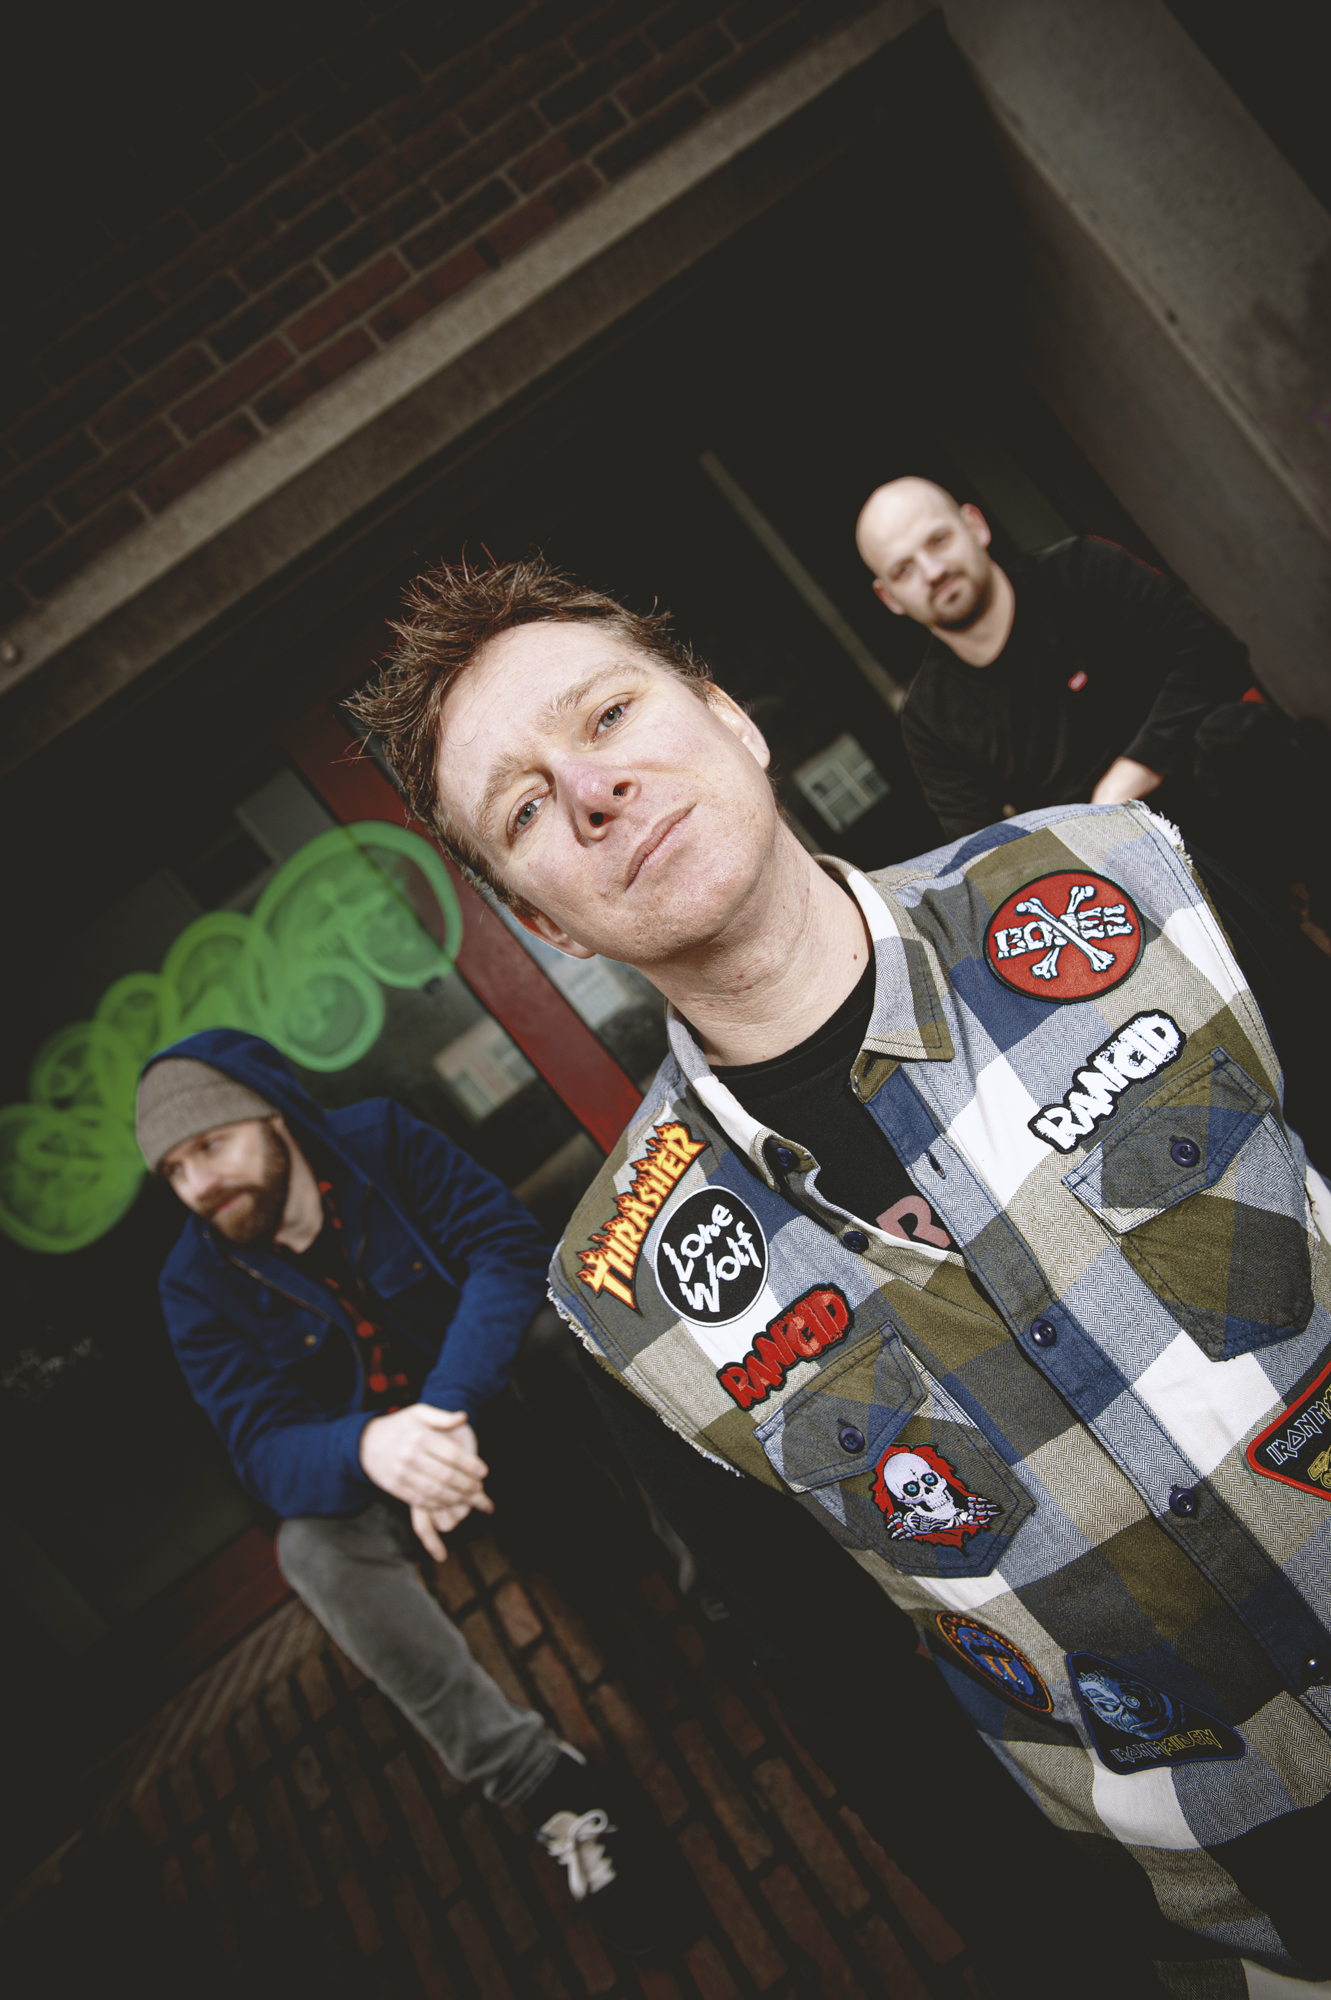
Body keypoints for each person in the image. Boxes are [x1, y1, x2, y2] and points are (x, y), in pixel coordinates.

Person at [349, 556, 1331, 2000]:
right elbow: (848, 1693)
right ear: (547, 924)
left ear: (731, 719)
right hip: (1245, 1933)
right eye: (524, 808)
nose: (593, 789)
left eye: (608, 714)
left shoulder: (1115, 879)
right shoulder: (627, 1305)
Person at [136, 1029, 661, 1954]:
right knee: (310, 1549)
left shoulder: (378, 1141)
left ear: (268, 1117)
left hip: (487, 1398)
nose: (198, 1187)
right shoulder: (194, 1283)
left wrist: (443, 1410)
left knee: (563, 1341)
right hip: (383, 1471)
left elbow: (504, 1250)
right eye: (175, 1171)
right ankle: (544, 1784)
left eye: (209, 1147)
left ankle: (717, 1589)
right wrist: (372, 1446)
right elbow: (260, 1451)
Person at [854, 476, 1255, 841]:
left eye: (939, 541)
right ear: (889, 598)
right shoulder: (930, 719)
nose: (932, 571)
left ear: (975, 526)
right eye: (903, 569)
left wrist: (1124, 784)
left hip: (1223, 797)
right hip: (1109, 867)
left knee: (1235, 732)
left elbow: (1212, 652)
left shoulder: (1081, 570)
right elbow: (983, 849)